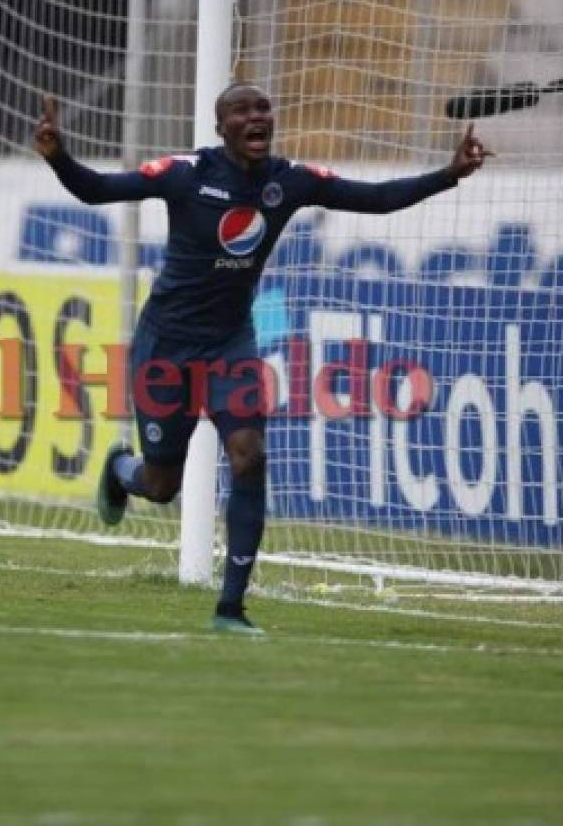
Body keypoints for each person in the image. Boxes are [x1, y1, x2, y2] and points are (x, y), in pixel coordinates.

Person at [34, 84, 488, 635]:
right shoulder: (185, 174)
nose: (258, 118)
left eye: (264, 109)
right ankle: (119, 469)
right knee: (160, 487)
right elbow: (99, 189)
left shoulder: (286, 181)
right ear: (221, 127)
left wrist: (447, 174)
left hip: (231, 345)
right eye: (243, 112)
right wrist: (60, 157)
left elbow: (373, 197)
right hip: (166, 349)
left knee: (249, 456)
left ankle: (231, 608)